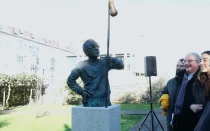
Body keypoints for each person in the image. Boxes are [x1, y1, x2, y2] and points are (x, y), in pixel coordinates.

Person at [67, 39, 124, 107]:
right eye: (93, 47)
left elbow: (121, 66)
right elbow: (70, 81)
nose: (97, 49)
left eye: (97, 46)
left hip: (105, 101)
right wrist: (81, 92)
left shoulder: (104, 62)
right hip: (90, 101)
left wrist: (113, 59)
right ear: (86, 51)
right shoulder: (81, 65)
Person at [172, 52, 201, 131]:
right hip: (177, 117)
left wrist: (190, 106)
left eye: (190, 61)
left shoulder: (202, 78)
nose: (186, 63)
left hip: (193, 119)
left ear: (198, 62)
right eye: (185, 61)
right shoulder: (180, 77)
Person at [160, 58, 185, 131]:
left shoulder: (190, 82)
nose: (178, 68)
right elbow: (163, 93)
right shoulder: (171, 82)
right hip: (171, 115)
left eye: (181, 66)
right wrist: (163, 103)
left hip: (184, 116)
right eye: (177, 66)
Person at [193, 51, 210, 131]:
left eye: (205, 60)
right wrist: (191, 106)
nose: (201, 63)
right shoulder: (199, 82)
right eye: (200, 60)